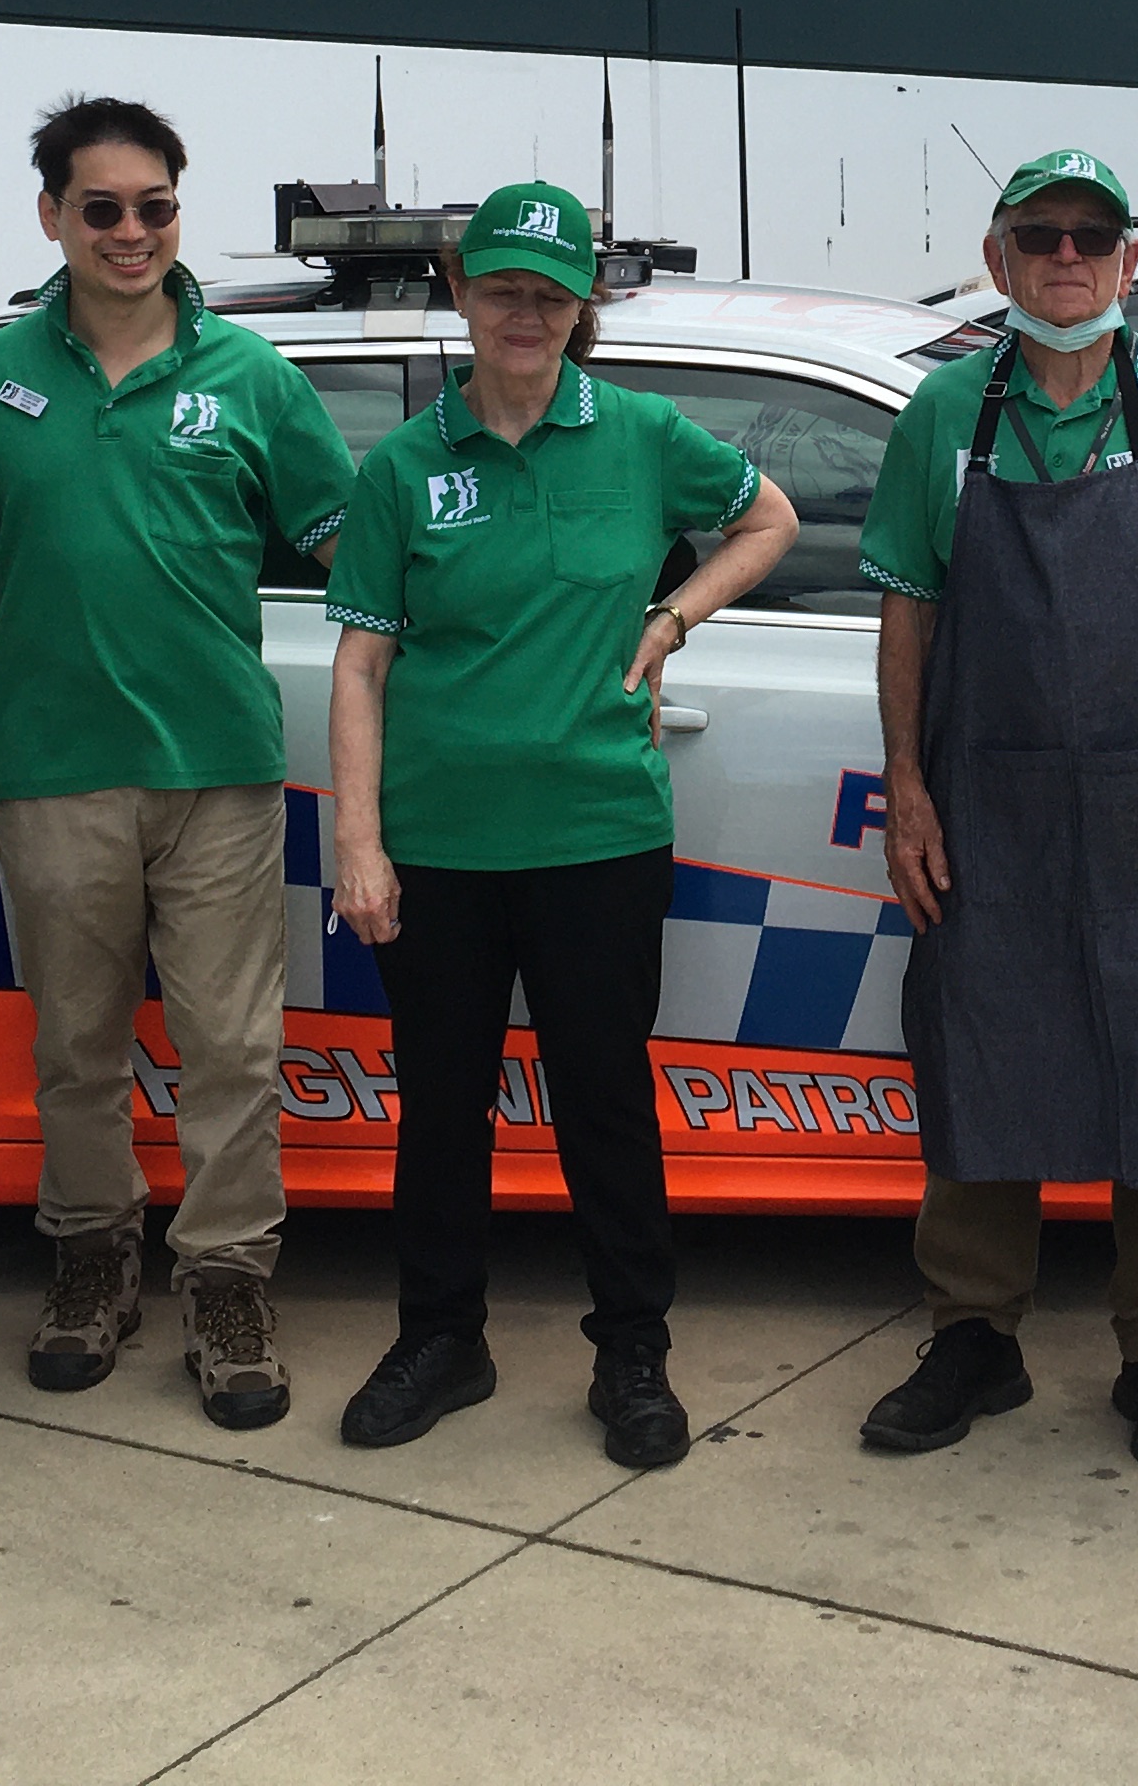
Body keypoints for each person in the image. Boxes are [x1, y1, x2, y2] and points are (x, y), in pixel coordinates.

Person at [322, 185, 796, 1469]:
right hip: (438, 845)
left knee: (602, 1101)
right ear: (460, 293)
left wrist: (673, 616)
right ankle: (442, 1339)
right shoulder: (404, 468)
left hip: (596, 835)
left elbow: (770, 521)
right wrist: (357, 846)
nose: (524, 313)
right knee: (442, 1109)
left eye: (549, 291)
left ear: (580, 305)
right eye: (500, 288)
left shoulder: (641, 436)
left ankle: (632, 1353)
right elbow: (360, 666)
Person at [852, 150, 1138, 1479]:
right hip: (988, 802)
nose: (1066, 258)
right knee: (987, 1042)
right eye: (1039, 236)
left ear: (1130, 263)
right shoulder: (946, 412)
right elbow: (906, 608)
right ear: (999, 261)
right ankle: (973, 1336)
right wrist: (909, 788)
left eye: (1091, 238)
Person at [0, 96, 358, 1425]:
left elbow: (353, 544)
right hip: (52, 767)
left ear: (180, 212)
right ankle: (91, 1262)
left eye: (155, 207)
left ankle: (227, 1279)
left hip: (221, 769)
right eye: (102, 208)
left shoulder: (255, 379)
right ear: (53, 216)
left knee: (233, 1047)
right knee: (76, 1047)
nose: (131, 232)